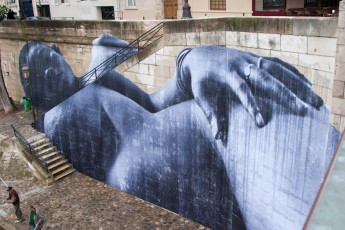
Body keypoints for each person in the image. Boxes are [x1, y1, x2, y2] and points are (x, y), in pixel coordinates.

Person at [18, 35, 339, 230]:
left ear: (59, 53)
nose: (50, 68)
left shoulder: (96, 81)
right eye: (39, 74)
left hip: (222, 129)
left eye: (49, 56)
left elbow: (153, 103)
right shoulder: (53, 123)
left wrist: (190, 63)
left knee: (325, 210)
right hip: (196, 176)